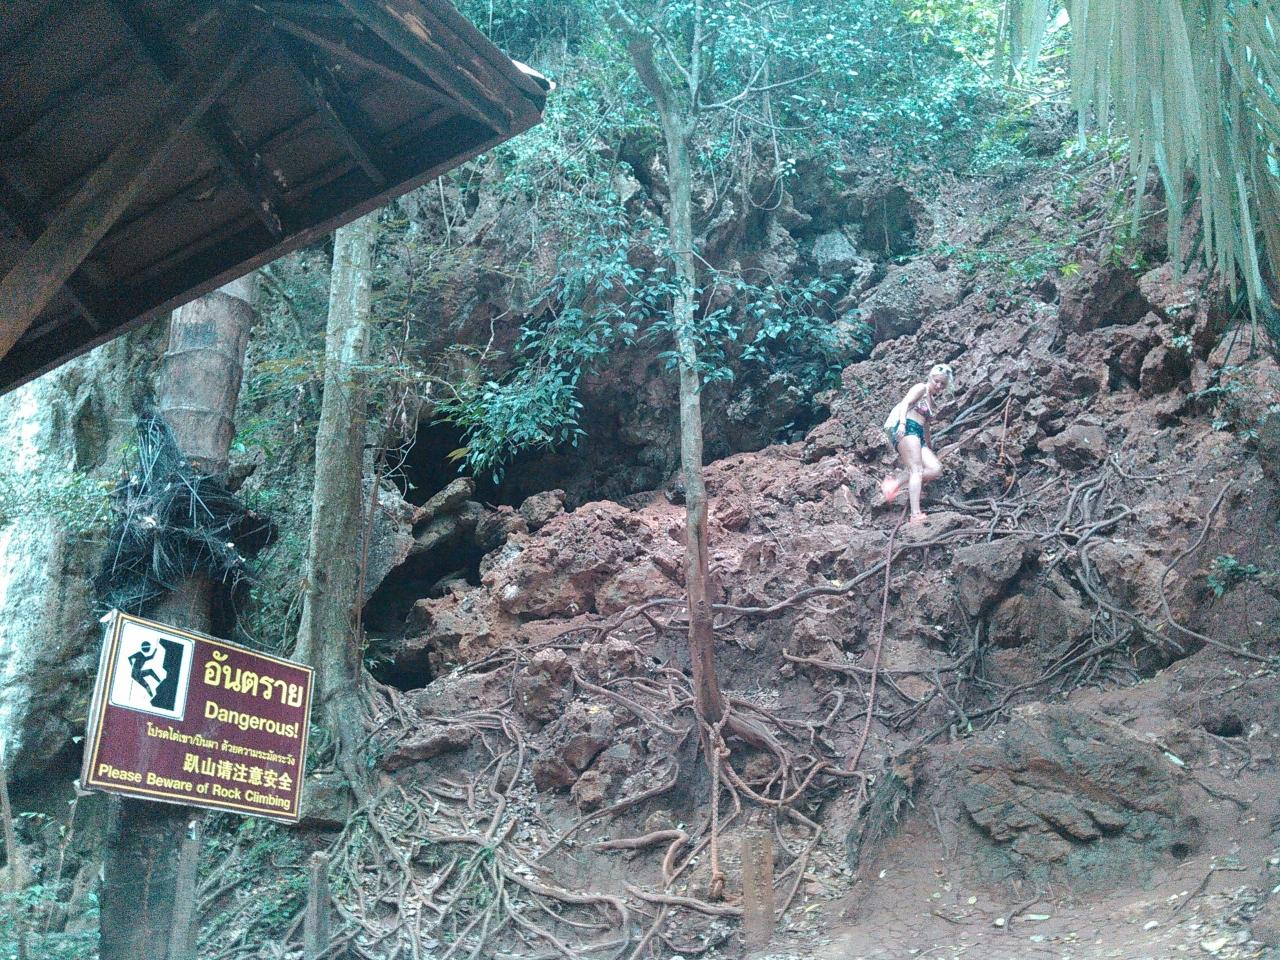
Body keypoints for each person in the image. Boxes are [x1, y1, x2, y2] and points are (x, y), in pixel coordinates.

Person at [880, 363, 954, 524]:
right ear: (930, 377)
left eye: (942, 384)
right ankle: (915, 514)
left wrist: (928, 445)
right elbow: (905, 403)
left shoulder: (931, 402)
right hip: (907, 428)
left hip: (918, 434)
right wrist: (902, 424)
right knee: (917, 470)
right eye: (936, 381)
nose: (938, 386)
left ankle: (895, 483)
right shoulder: (921, 388)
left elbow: (926, 426)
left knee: (935, 468)